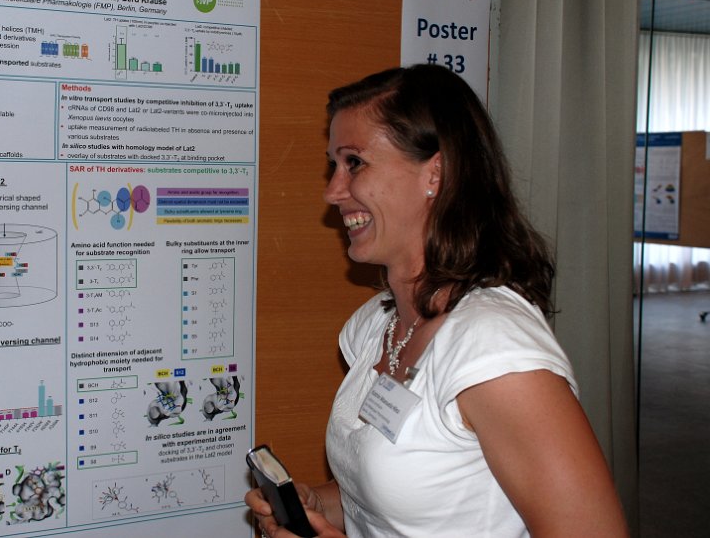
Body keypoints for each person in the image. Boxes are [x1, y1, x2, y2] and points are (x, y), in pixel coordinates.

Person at [245, 65, 628, 537]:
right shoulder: (375, 326)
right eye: (333, 165)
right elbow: (402, 502)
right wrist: (313, 504)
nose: (333, 191)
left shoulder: (494, 350)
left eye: (354, 163)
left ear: (435, 173)